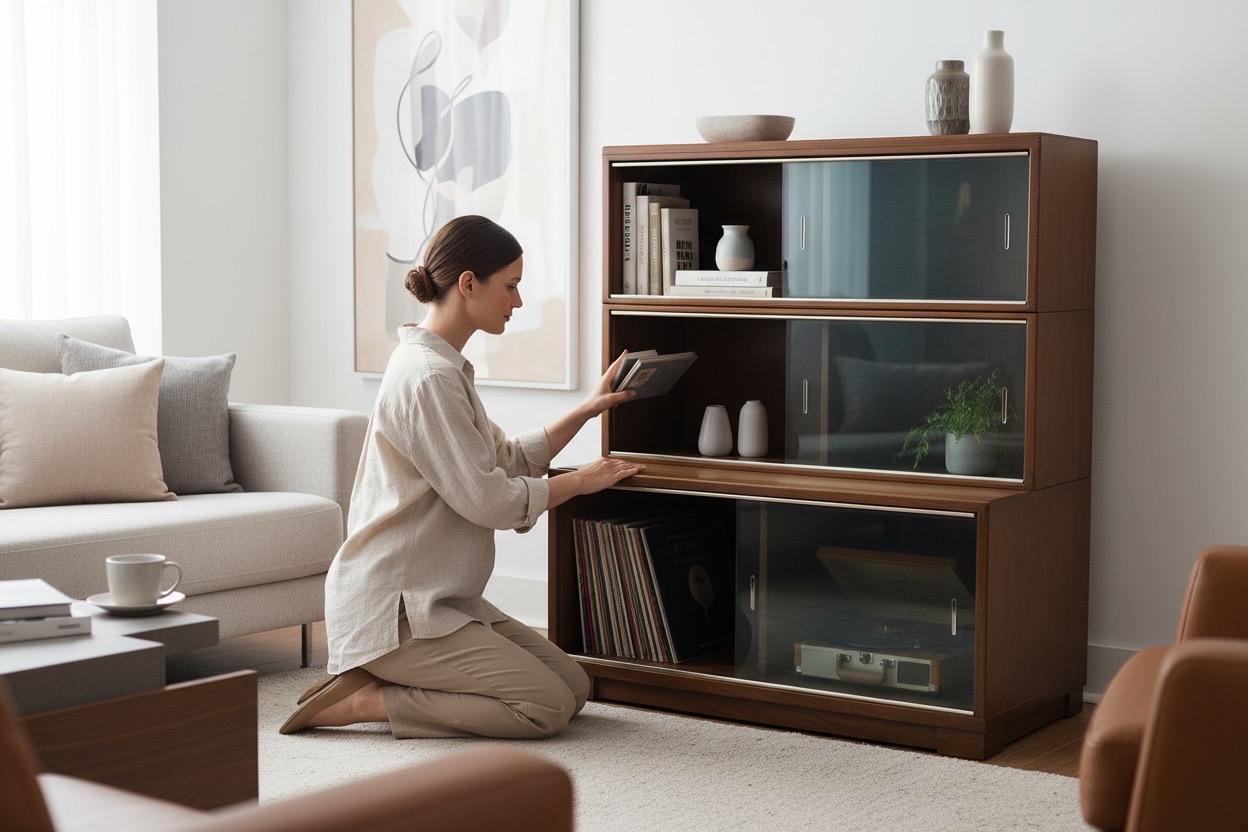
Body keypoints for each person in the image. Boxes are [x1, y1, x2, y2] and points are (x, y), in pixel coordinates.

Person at [280, 215, 643, 738]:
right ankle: (366, 699)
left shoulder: (446, 367)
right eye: (511, 286)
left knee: (573, 688)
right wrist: (579, 482)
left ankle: (383, 677)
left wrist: (587, 409)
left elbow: (506, 459)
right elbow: (489, 499)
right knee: (543, 708)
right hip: (399, 608)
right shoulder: (428, 377)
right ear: (468, 283)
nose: (517, 302)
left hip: (444, 598)